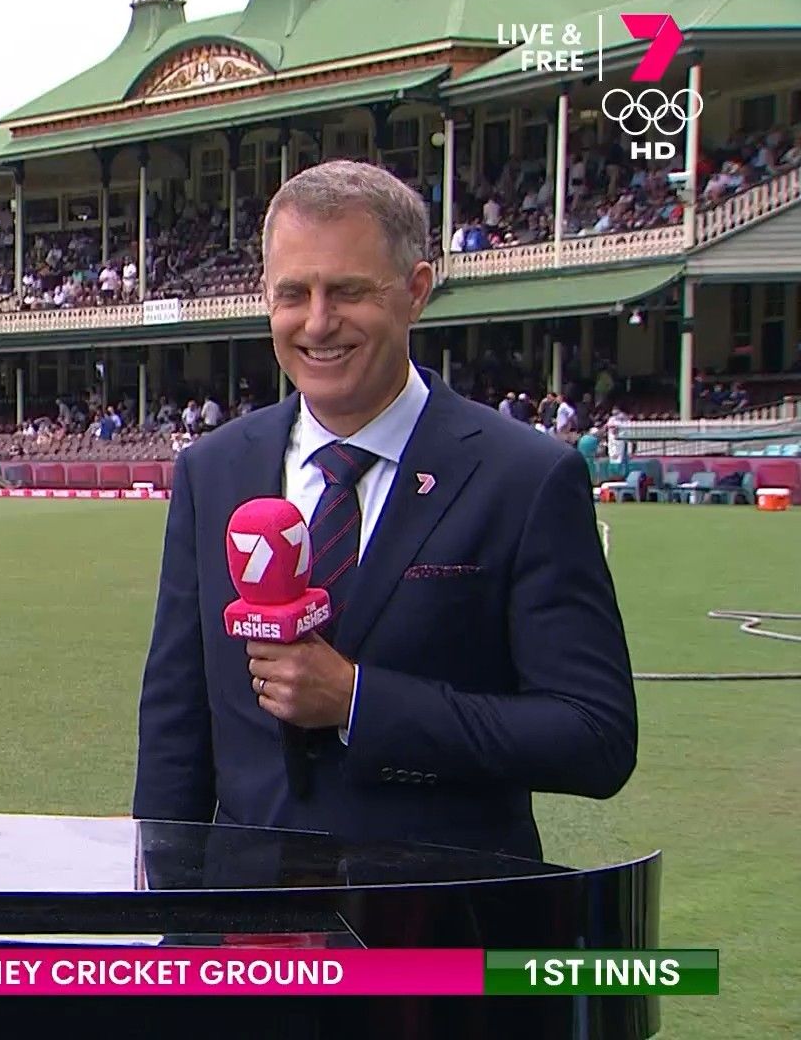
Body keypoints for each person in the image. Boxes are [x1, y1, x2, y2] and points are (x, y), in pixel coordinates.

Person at [132, 160, 635, 861]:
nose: (317, 322)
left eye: (348, 291)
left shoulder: (525, 477)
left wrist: (359, 702)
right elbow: (175, 728)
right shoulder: (212, 471)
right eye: (292, 293)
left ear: (416, 291)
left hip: (439, 912)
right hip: (246, 913)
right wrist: (161, 907)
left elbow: (595, 737)